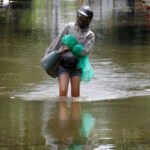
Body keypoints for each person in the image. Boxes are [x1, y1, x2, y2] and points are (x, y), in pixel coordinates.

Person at [45, 5, 95, 97]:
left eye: (84, 18)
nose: (81, 19)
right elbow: (57, 42)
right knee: (63, 92)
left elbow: (84, 51)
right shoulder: (69, 27)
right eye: (80, 16)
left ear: (89, 20)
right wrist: (48, 55)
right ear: (77, 16)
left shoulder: (90, 35)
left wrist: (71, 46)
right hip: (63, 64)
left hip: (77, 66)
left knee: (75, 96)